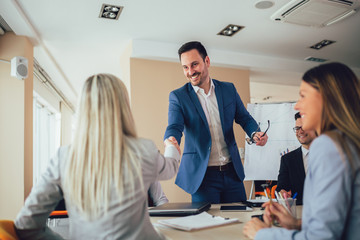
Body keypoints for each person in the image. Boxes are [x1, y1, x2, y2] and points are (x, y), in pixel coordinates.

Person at [14, 74, 181, 240]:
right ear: (123, 108)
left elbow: (26, 224)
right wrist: (171, 146)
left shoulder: (63, 158)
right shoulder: (143, 149)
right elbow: (171, 167)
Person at [243, 62, 360, 239]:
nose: (297, 105)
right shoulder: (348, 142)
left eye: (303, 96)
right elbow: (345, 219)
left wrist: (262, 234)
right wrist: (297, 224)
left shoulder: (328, 145)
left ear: (326, 99)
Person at [164, 41, 268, 204]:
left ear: (207, 61)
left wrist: (255, 132)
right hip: (203, 177)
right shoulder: (178, 96)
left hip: (232, 174)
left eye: (194, 64)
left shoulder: (228, 89)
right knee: (207, 226)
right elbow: (174, 126)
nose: (190, 72)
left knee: (238, 223)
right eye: (185, 67)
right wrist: (170, 139)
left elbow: (244, 117)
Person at [276, 112, 316, 205]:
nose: (300, 131)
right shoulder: (287, 159)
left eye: (304, 127)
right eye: (297, 128)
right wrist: (282, 193)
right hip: (299, 210)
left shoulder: (330, 155)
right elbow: (281, 188)